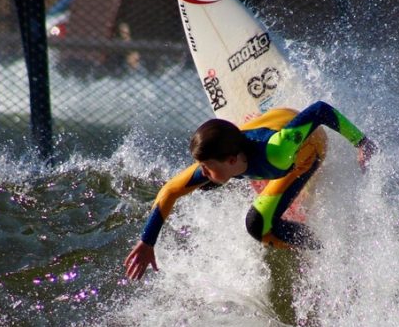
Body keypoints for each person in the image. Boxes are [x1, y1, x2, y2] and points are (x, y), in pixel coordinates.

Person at [124, 100, 377, 280]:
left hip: (307, 149)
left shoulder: (277, 152)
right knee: (205, 185)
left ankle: (323, 248)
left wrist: (362, 142)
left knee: (257, 224)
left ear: (231, 160)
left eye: (207, 166)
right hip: (268, 124)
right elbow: (169, 191)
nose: (202, 171)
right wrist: (147, 241)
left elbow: (321, 110)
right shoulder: (225, 161)